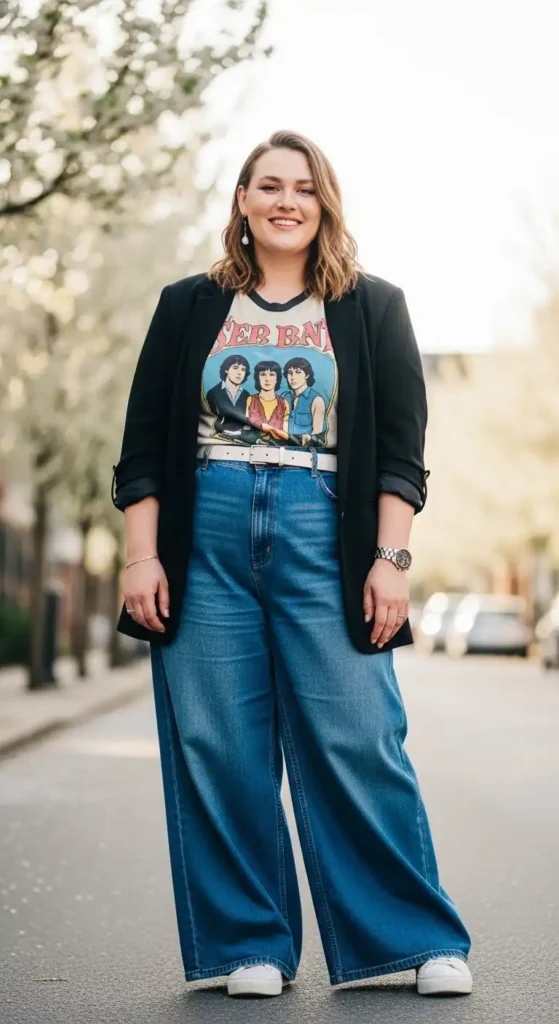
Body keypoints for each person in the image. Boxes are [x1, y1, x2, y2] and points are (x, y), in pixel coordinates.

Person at [111, 129, 472, 999]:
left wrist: (390, 559)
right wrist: (140, 558)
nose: (285, 200)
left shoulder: (373, 307)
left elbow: (398, 453)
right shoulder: (188, 306)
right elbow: (143, 450)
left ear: (324, 204)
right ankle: (250, 946)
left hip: (326, 530)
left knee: (361, 735)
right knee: (217, 743)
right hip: (209, 526)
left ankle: (414, 938)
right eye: (267, 185)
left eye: (302, 189)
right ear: (241, 200)